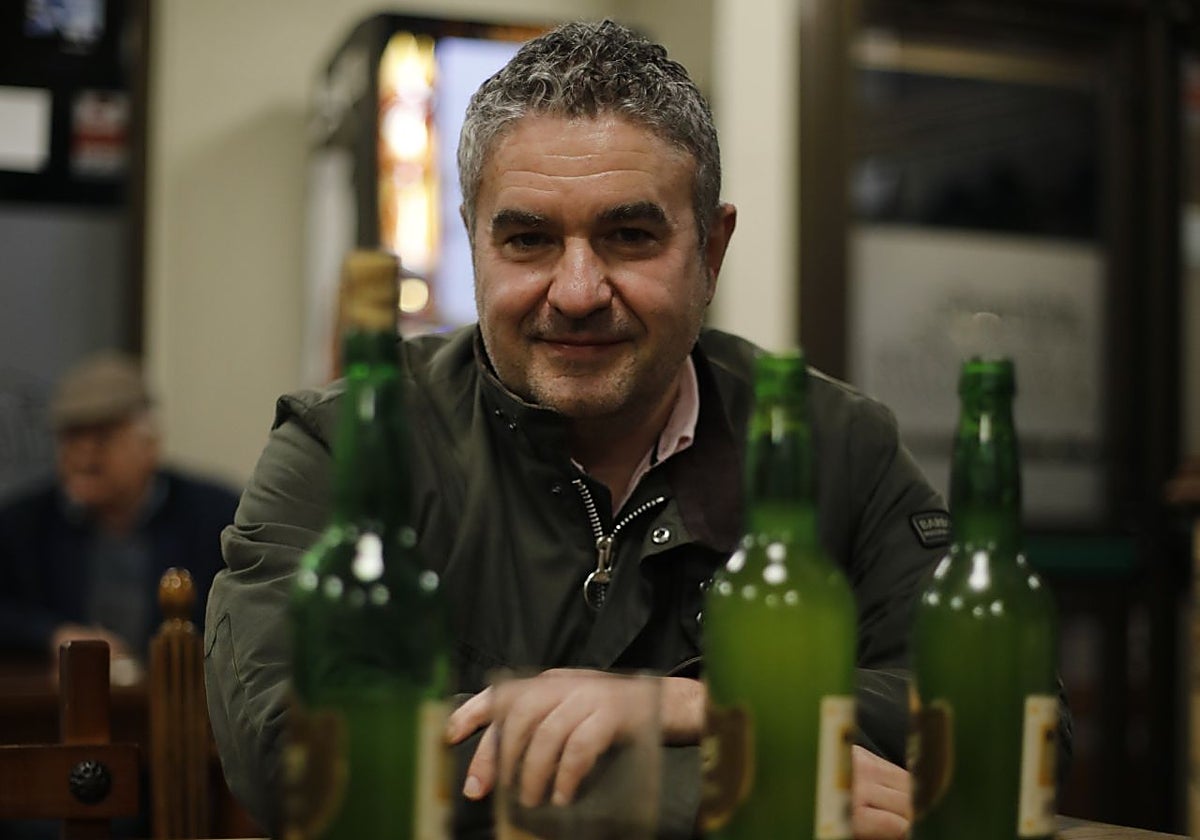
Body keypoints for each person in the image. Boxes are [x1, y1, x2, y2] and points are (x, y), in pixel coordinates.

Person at [205, 20, 1057, 840]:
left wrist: (693, 708)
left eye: (630, 235)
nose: (577, 290)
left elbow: (1010, 715)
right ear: (473, 243)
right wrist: (722, 780)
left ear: (711, 251)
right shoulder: (343, 445)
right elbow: (299, 756)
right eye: (530, 240)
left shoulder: (838, 444)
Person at [0, 351, 239, 664]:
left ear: (150, 444)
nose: (84, 456)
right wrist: (52, 635)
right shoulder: (21, 525)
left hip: (181, 701)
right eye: (72, 438)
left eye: (103, 438)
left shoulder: (217, 517)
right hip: (59, 704)